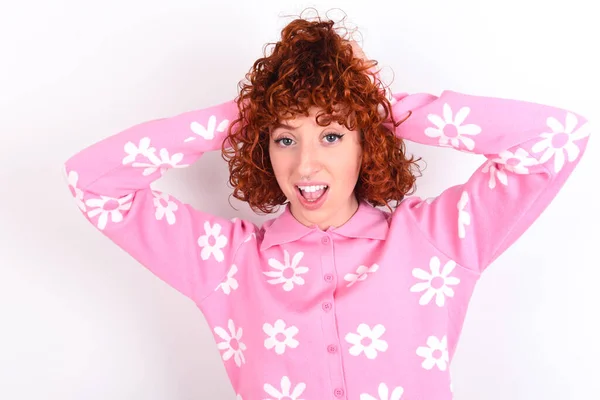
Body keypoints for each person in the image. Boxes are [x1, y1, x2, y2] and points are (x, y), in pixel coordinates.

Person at [64, 16, 590, 400]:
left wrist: (388, 110)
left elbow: (557, 139)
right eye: (285, 140)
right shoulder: (227, 263)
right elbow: (91, 181)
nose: (305, 167)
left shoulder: (436, 241)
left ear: (368, 142)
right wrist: (244, 115)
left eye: (333, 135)